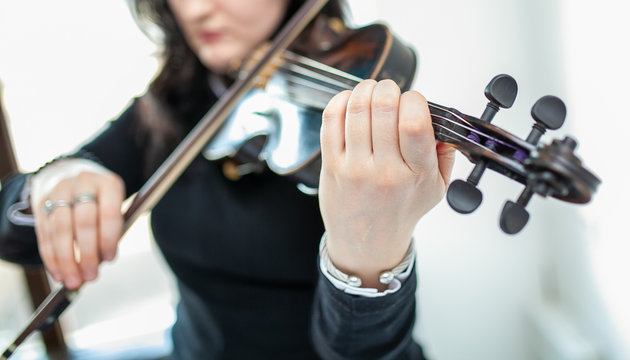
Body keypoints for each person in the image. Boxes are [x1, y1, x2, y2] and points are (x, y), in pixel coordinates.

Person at [0, 0, 455, 359]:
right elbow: (11, 235)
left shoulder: (341, 120)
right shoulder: (174, 104)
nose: (197, 8)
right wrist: (59, 180)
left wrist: (368, 260)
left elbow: (366, 353)